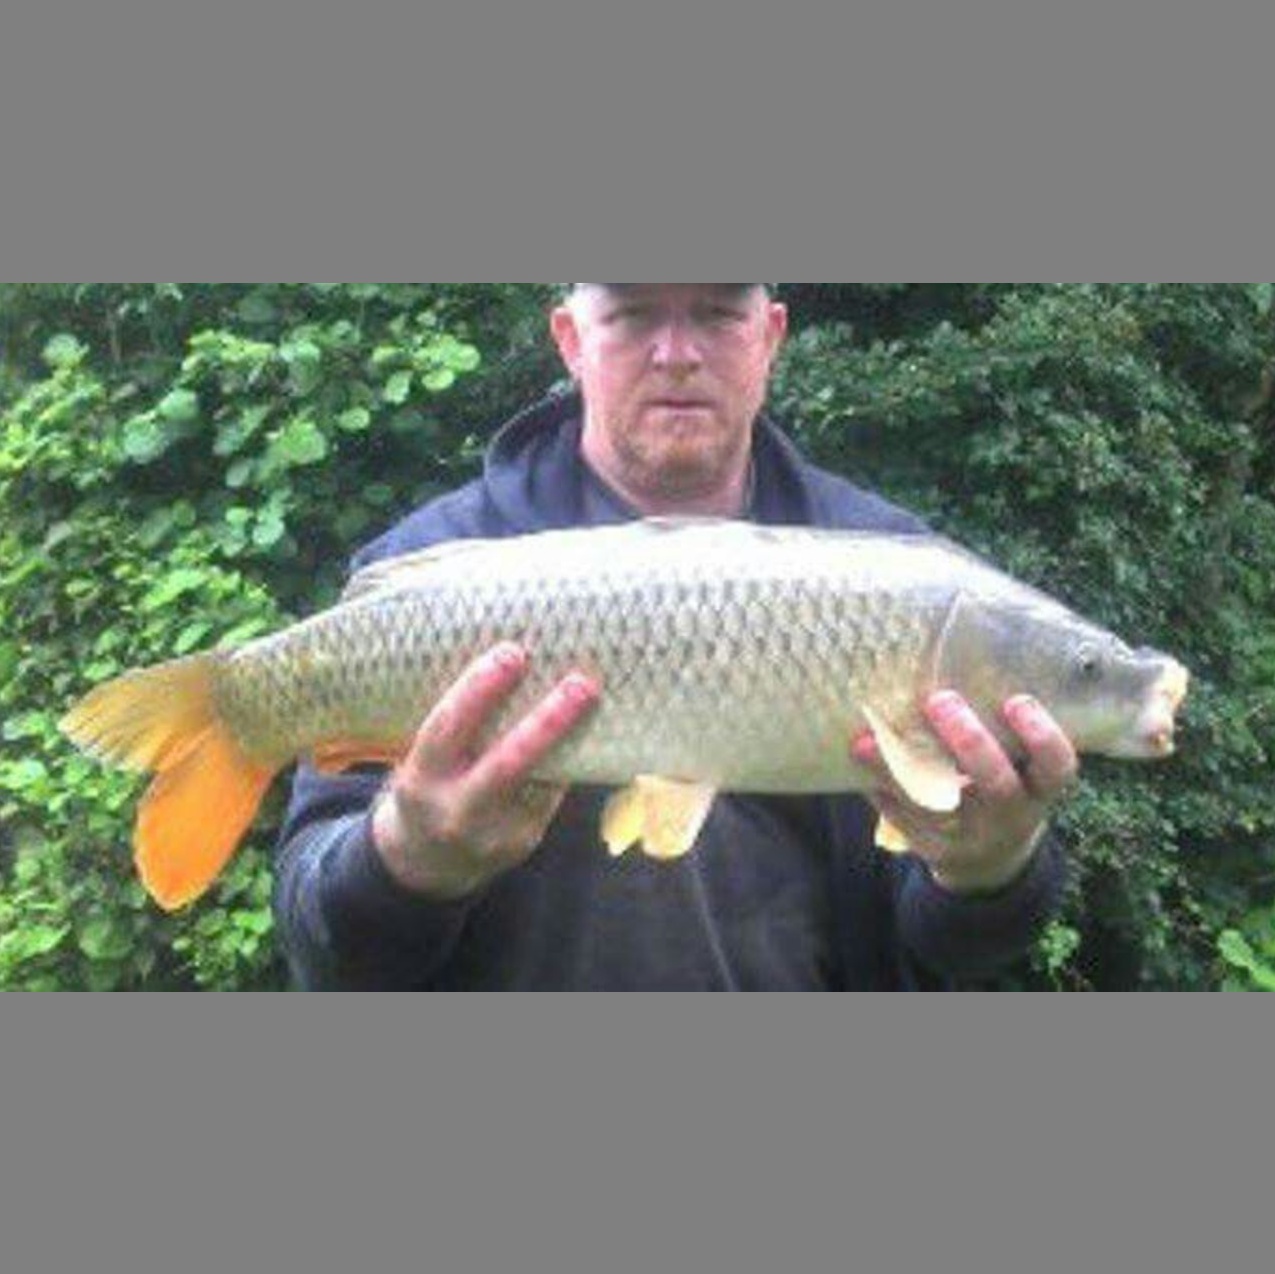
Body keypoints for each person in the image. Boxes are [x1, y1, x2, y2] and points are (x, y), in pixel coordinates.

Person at [273, 283, 1071, 990]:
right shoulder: (432, 568)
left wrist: (993, 868)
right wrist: (405, 862)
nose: (677, 354)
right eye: (631, 314)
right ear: (570, 339)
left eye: (718, 314)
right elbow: (323, 949)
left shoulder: (903, 579)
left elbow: (951, 952)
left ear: (770, 336)